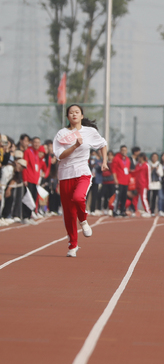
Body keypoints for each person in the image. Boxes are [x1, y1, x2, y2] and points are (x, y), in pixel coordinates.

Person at [52, 104, 108, 257]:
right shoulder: (62, 134)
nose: (74, 114)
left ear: (82, 116)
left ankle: (83, 220)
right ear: (67, 117)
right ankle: (73, 245)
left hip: (82, 172)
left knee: (78, 197)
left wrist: (104, 161)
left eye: (77, 112)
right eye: (71, 112)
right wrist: (75, 145)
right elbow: (60, 155)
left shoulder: (90, 132)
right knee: (69, 213)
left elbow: (103, 144)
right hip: (65, 175)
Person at [112, 145, 131, 217]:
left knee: (124, 197)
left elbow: (128, 170)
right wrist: (115, 179)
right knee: (118, 196)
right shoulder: (116, 158)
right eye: (122, 150)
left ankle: (122, 210)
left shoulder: (127, 159)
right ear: (120, 151)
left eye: (125, 150)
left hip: (126, 181)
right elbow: (114, 170)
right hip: (119, 180)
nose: (124, 151)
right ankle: (115, 211)